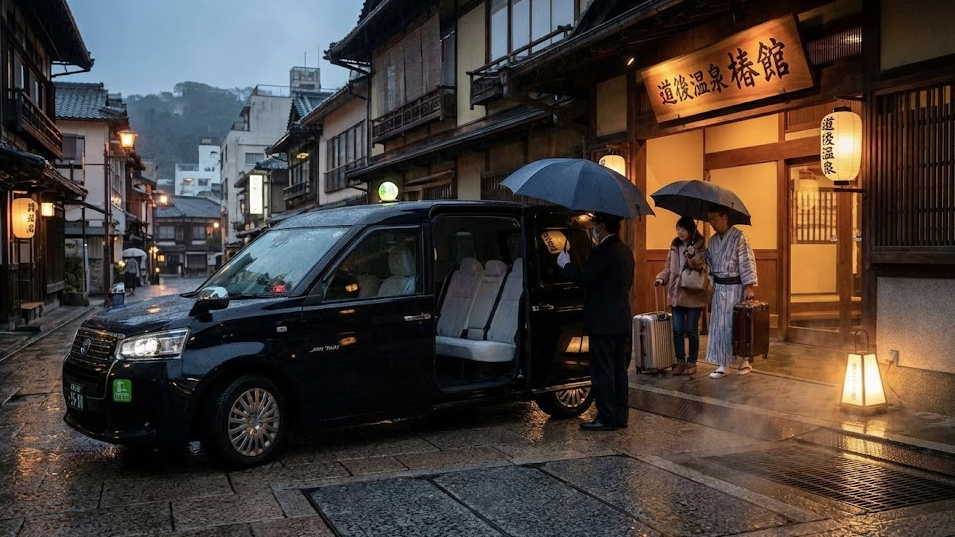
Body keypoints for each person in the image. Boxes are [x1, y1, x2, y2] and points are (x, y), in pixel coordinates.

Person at [557, 212, 634, 431]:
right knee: (619, 369)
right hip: (621, 319)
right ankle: (621, 415)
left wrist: (565, 265)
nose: (593, 228)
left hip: (602, 321)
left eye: (595, 225)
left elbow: (583, 279)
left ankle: (606, 417)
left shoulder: (602, 252)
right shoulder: (626, 251)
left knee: (602, 370)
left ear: (601, 226)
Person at [704, 205, 757, 378]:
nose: (711, 223)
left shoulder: (740, 237)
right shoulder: (712, 242)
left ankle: (744, 361)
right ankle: (723, 363)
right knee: (720, 326)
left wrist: (749, 287)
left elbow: (747, 262)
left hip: (736, 288)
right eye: (709, 219)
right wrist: (695, 255)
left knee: (737, 325)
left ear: (724, 217)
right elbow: (709, 265)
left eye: (714, 219)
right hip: (719, 288)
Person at [654, 216, 707, 376]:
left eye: (683, 229)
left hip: (693, 294)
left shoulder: (700, 246)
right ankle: (680, 361)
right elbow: (669, 268)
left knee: (691, 330)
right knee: (677, 329)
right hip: (676, 293)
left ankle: (692, 361)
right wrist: (661, 278)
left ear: (691, 230)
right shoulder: (674, 245)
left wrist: (692, 254)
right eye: (678, 228)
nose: (680, 232)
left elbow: (701, 266)